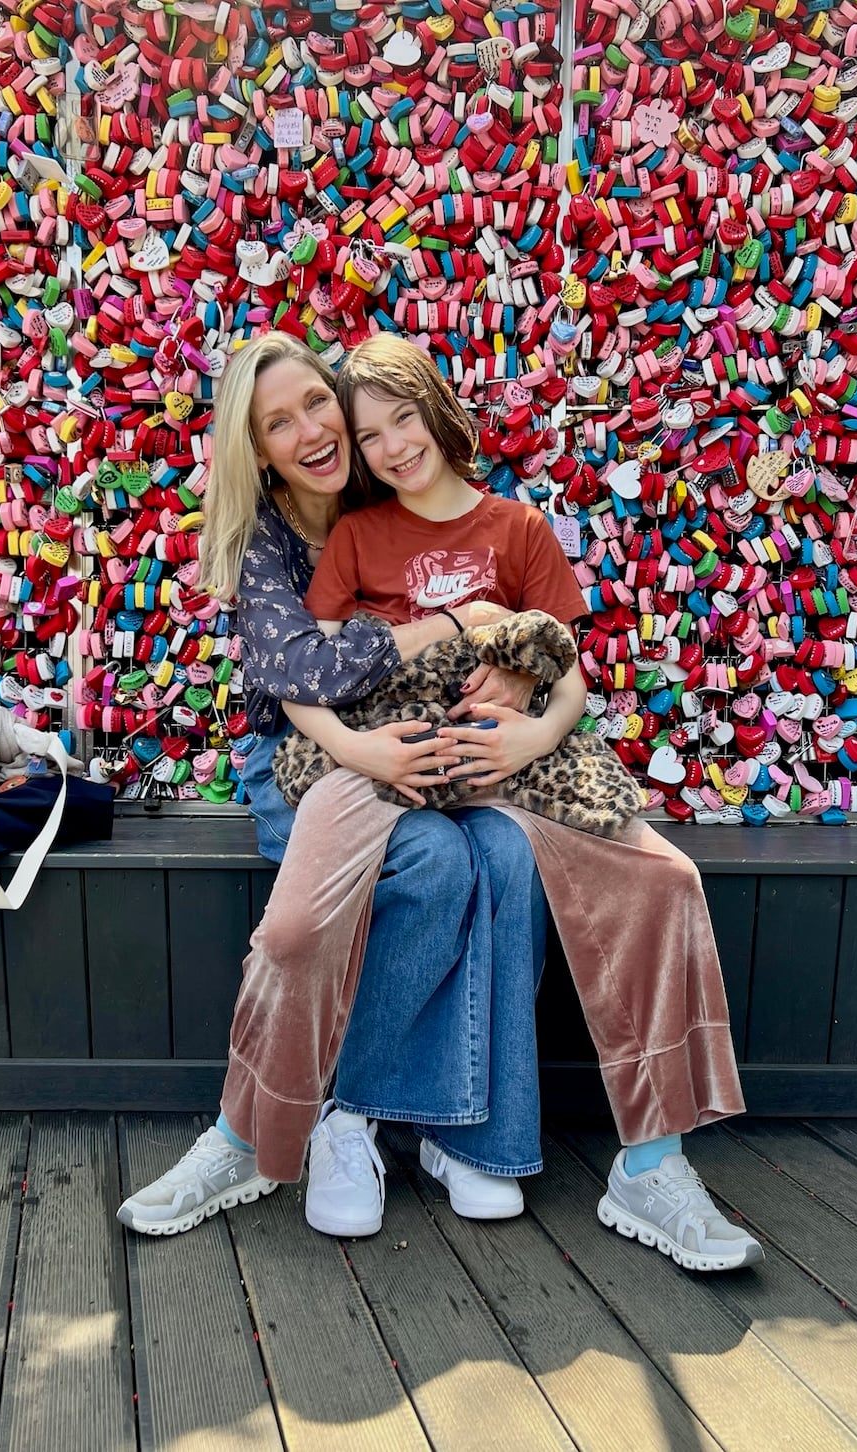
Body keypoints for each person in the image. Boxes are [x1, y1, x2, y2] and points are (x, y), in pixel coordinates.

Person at [295, 334, 763, 1273]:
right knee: (483, 864)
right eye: (369, 435)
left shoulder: (517, 528)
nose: (391, 448)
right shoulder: (357, 537)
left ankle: (654, 1164)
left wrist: (534, 734)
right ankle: (406, 1126)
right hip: (409, 777)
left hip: (523, 773)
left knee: (666, 880)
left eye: (402, 420)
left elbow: (574, 676)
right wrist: (364, 747)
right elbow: (310, 669)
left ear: (436, 406)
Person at [117, 333, 554, 1242]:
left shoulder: (383, 489)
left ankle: (401, 1117)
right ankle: (262, 1130)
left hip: (420, 744)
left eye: (319, 404)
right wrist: (432, 637)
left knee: (489, 858)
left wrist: (513, 672)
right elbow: (295, 670)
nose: (311, 430)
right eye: (279, 422)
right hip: (300, 756)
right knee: (428, 865)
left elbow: (498, 588)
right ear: (257, 447)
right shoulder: (265, 536)